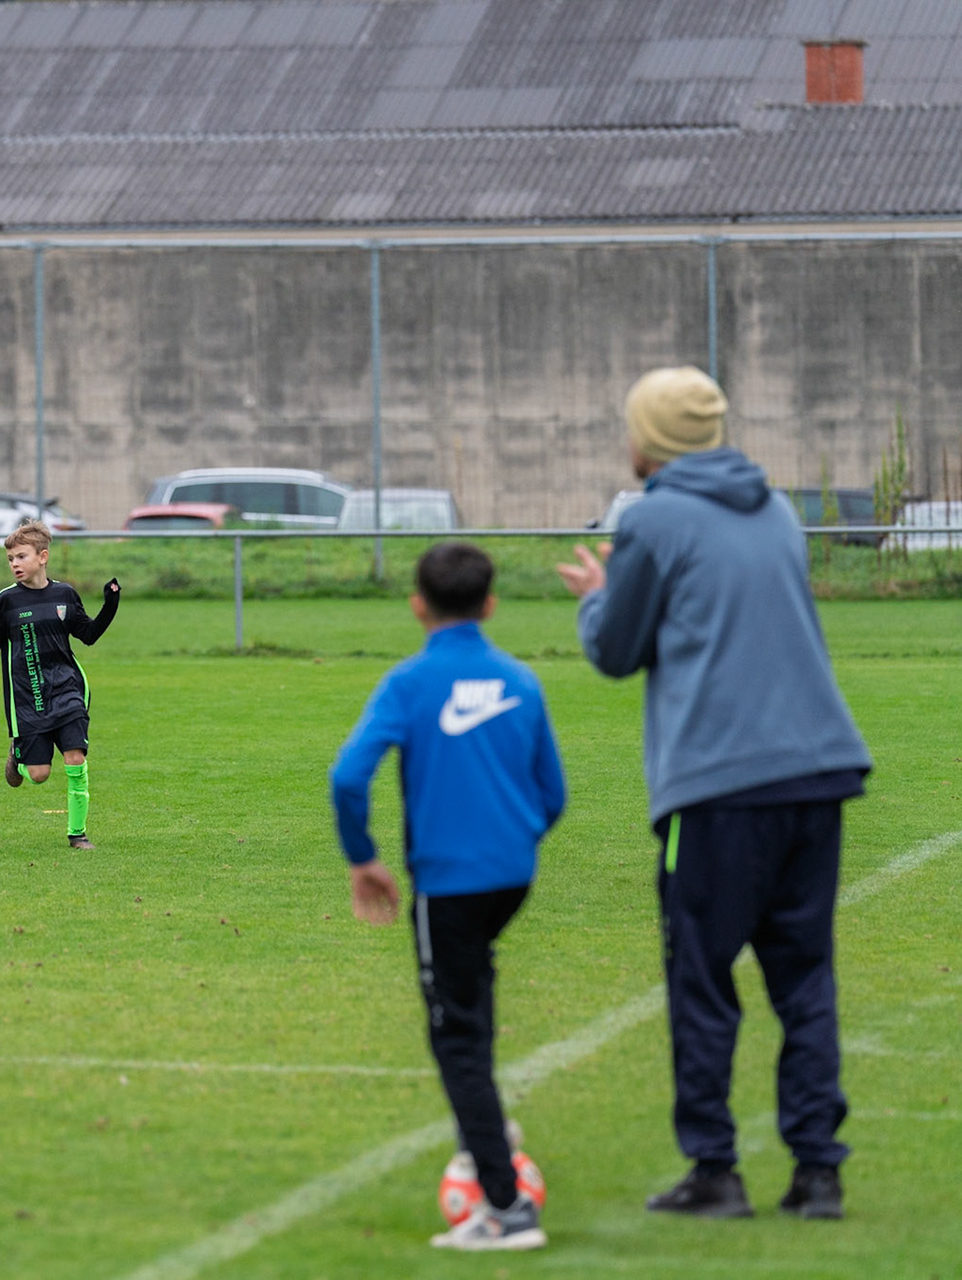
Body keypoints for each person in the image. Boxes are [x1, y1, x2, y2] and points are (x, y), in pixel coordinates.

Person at [557, 366, 871, 1221]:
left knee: (701, 980)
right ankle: (818, 1174)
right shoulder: (777, 511)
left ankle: (714, 1171)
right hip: (818, 771)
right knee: (804, 981)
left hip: (719, 787)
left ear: (650, 438)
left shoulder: (651, 519)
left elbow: (617, 650)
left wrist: (594, 601)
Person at [331, 542, 565, 1252]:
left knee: (453, 1034)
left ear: (417, 605)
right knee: (471, 990)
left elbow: (348, 777)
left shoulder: (411, 682)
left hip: (449, 883)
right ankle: (486, 1131)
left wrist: (363, 860)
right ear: (490, 604)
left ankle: (506, 1208)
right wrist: (513, 840)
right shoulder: (521, 679)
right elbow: (552, 793)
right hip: (511, 878)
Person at [0, 520, 119, 850]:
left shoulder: (64, 594)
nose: (14, 564)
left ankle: (77, 834)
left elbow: (88, 635)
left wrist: (110, 604)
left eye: (21, 556)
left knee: (75, 758)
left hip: (67, 689)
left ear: (43, 557)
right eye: (10, 559)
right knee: (39, 774)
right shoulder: (5, 601)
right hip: (27, 696)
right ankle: (18, 756)